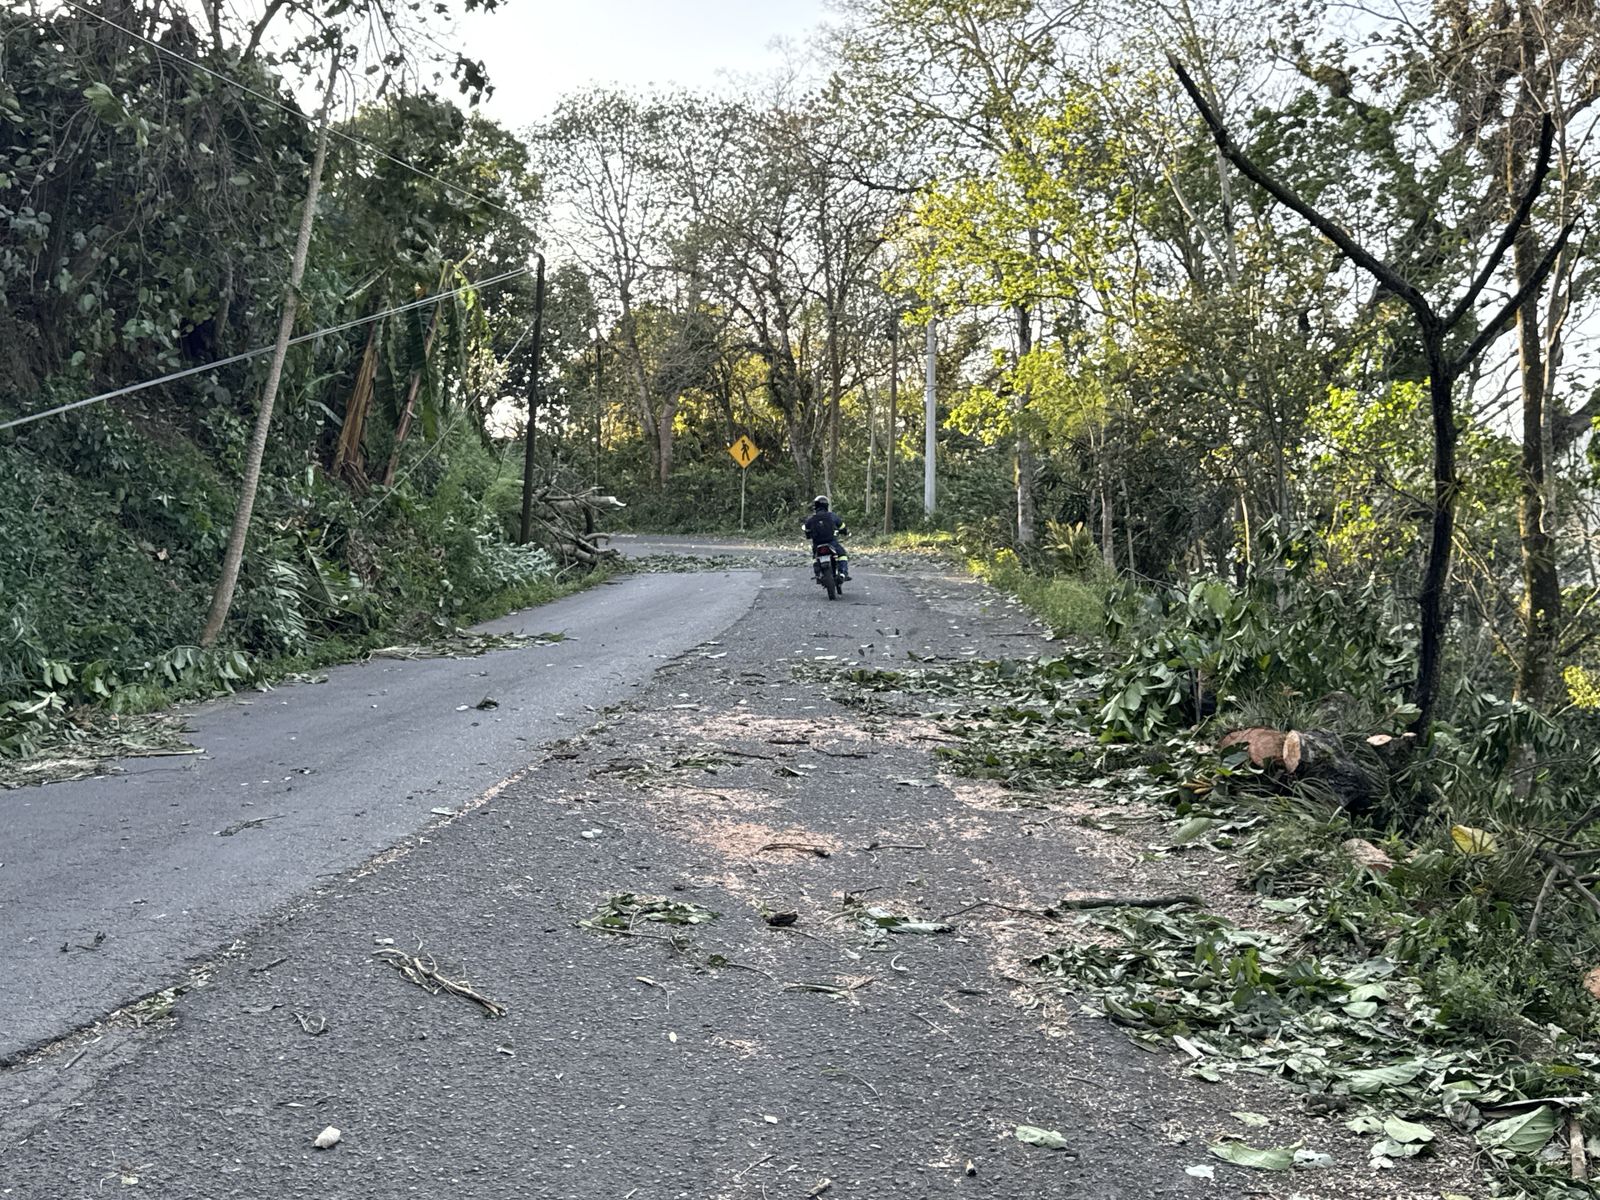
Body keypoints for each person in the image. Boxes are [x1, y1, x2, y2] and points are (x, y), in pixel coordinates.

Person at [802, 496, 850, 580]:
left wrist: (809, 535)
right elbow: (842, 527)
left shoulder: (811, 519)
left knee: (815, 557)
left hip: (817, 544)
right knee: (842, 555)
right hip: (832, 542)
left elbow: (807, 531)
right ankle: (843, 573)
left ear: (815, 506)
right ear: (826, 505)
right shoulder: (832, 516)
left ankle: (818, 574)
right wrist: (845, 532)